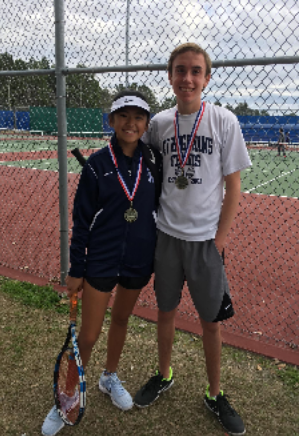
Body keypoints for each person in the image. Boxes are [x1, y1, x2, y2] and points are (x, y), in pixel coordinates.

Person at [133, 43, 252, 436]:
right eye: (180, 70)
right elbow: (144, 169)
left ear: (207, 78)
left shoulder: (223, 121)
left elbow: (233, 187)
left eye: (195, 71)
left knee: (211, 323)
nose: (187, 78)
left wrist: (220, 239)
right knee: (164, 312)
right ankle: (164, 373)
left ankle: (214, 393)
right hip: (166, 236)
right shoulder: (159, 124)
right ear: (170, 76)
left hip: (205, 243)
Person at [42, 90, 162, 436]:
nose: (131, 123)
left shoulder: (153, 161)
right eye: (123, 116)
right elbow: (81, 223)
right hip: (101, 260)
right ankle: (66, 396)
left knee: (121, 320)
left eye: (138, 117)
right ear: (111, 121)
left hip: (139, 259)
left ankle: (109, 377)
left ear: (146, 124)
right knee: (89, 334)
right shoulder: (96, 164)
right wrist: (76, 269)